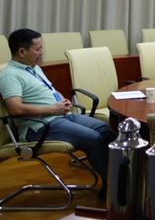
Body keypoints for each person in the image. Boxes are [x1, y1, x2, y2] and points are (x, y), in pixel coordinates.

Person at [0, 28, 114, 197]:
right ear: (22, 52)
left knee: (107, 130)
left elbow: (50, 90)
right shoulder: (10, 75)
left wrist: (62, 101)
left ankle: (118, 180)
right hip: (40, 126)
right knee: (94, 139)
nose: (42, 52)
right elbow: (15, 109)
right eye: (38, 49)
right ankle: (113, 189)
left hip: (60, 115)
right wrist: (53, 109)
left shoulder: (33, 68)